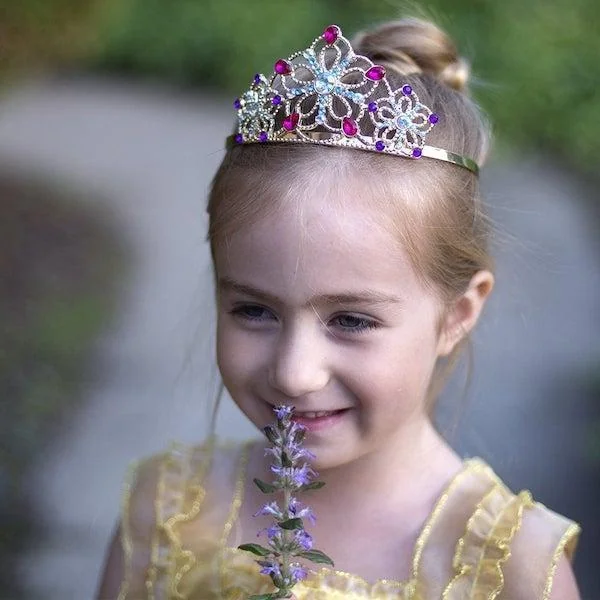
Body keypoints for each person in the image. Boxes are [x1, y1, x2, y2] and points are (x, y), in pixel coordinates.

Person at [96, 17, 581, 600]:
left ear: (456, 314)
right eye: (254, 310)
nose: (294, 373)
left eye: (351, 320)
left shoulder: (515, 570)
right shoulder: (166, 514)